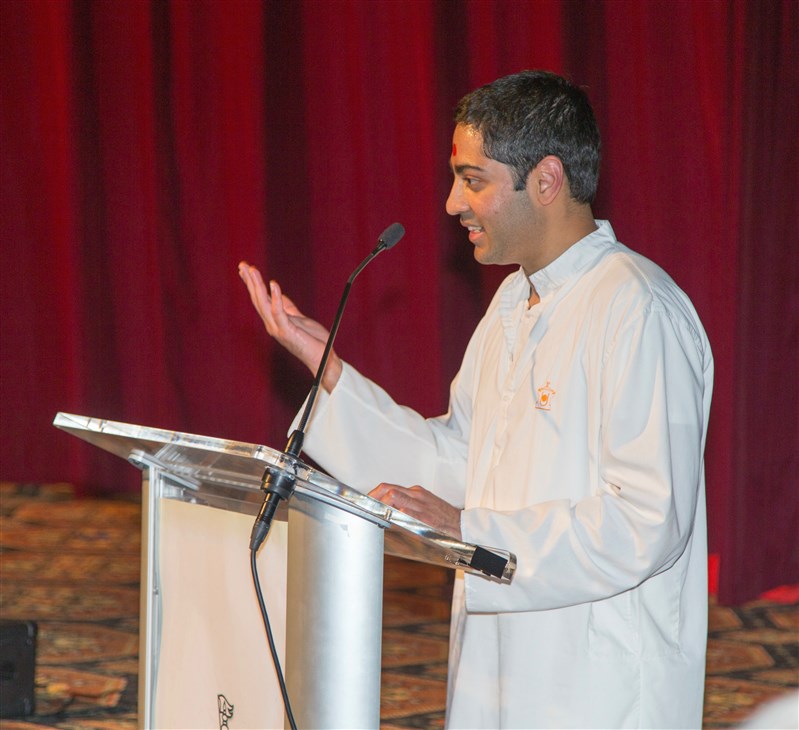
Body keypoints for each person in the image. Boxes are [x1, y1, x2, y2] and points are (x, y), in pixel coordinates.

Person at [239, 70, 713, 729]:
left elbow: (647, 520)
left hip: (598, 678)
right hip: (500, 658)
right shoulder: (513, 301)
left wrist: (473, 532)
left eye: (472, 179)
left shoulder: (637, 307)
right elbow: (463, 461)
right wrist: (333, 377)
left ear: (546, 180)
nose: (451, 203)